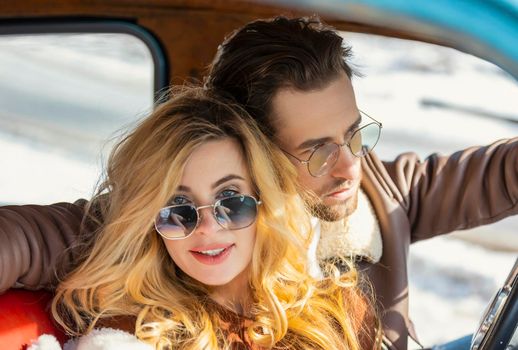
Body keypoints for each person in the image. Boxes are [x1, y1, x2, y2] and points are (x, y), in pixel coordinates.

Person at [1, 16, 517, 350]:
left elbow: (500, 174)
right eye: (315, 151)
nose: (348, 168)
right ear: (256, 155)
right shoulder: (162, 226)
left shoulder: (375, 196)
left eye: (355, 134)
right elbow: (22, 238)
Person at [31, 87, 379, 349]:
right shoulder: (132, 334)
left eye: (230, 200)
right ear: (150, 221)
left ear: (263, 199)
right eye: (177, 210)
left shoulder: (343, 311)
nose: (208, 228)